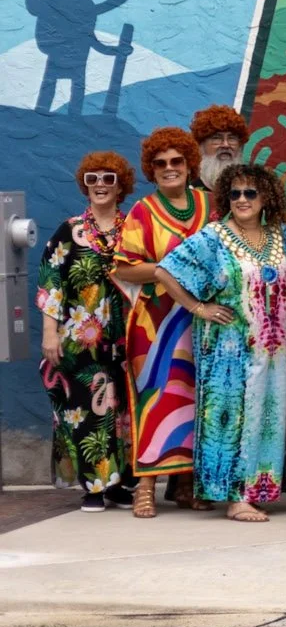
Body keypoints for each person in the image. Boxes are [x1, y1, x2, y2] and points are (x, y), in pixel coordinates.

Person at [155, 164, 286, 522]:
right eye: (235, 193)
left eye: (250, 193)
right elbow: (165, 270)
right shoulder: (214, 237)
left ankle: (259, 489)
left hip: (273, 349)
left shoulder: (283, 236)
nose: (242, 199)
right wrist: (197, 307)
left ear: (266, 196)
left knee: (267, 418)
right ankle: (236, 497)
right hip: (227, 351)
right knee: (235, 421)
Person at [110, 126, 211, 517]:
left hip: (202, 322)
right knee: (157, 399)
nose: (170, 168)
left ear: (189, 164)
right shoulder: (143, 212)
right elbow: (124, 268)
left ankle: (186, 486)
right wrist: (168, 271)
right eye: (161, 163)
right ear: (151, 170)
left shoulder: (210, 204)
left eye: (177, 161)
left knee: (197, 401)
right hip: (156, 326)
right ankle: (146, 487)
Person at [38, 152, 134, 510]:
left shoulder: (133, 227)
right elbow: (51, 282)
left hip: (125, 337)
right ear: (84, 184)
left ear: (120, 185)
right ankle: (93, 487)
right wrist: (50, 332)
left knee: (122, 410)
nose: (99, 185)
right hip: (81, 340)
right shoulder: (70, 229)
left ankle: (120, 485)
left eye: (108, 178)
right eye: (92, 179)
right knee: (86, 408)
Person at [190, 105, 248, 191]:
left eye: (232, 138)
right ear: (201, 145)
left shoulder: (253, 184)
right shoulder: (186, 186)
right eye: (217, 138)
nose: (226, 145)